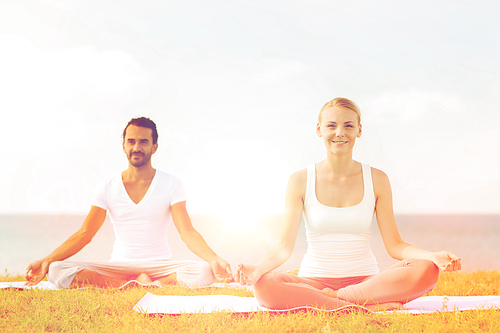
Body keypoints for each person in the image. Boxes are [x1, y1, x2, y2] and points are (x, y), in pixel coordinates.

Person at [234, 98, 461, 311]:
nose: (339, 133)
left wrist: (431, 256)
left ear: (359, 130)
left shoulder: (377, 179)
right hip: (312, 281)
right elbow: (284, 246)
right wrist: (258, 270)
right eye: (331, 125)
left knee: (426, 270)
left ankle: (333, 303)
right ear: (319, 129)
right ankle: (360, 305)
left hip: (366, 281)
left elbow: (395, 245)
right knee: (265, 286)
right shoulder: (300, 180)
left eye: (348, 126)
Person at [25, 117, 232, 288]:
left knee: (204, 271)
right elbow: (85, 233)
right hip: (119, 265)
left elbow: (187, 232)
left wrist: (213, 258)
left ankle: (144, 282)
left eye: (143, 142)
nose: (137, 147)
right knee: (57, 270)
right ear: (124, 146)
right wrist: (46, 260)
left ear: (155, 147)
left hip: (160, 265)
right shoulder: (107, 185)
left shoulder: (171, 183)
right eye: (131, 141)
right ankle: (136, 283)